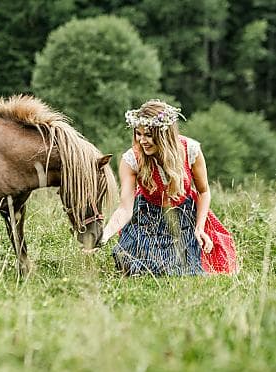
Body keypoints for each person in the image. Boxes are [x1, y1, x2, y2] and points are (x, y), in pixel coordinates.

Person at [100, 99, 237, 276]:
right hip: (146, 216)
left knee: (181, 270)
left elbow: (203, 191)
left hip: (184, 215)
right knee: (133, 265)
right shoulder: (131, 160)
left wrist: (199, 227)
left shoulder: (190, 150)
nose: (142, 141)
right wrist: (105, 235)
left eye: (148, 135)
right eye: (138, 134)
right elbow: (125, 208)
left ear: (164, 134)